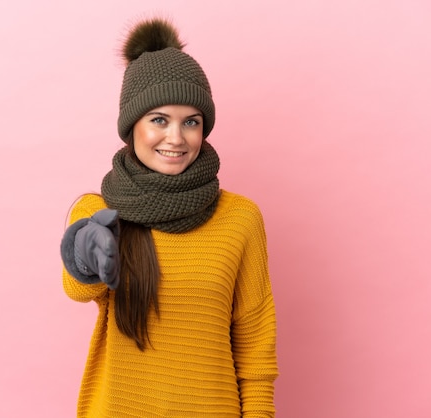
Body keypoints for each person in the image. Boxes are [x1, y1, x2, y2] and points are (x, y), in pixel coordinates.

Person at [61, 17, 278, 417]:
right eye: (159, 119)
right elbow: (77, 289)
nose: (176, 138)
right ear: (133, 126)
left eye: (191, 122)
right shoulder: (98, 211)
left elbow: (255, 343)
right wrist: (86, 253)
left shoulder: (240, 218)